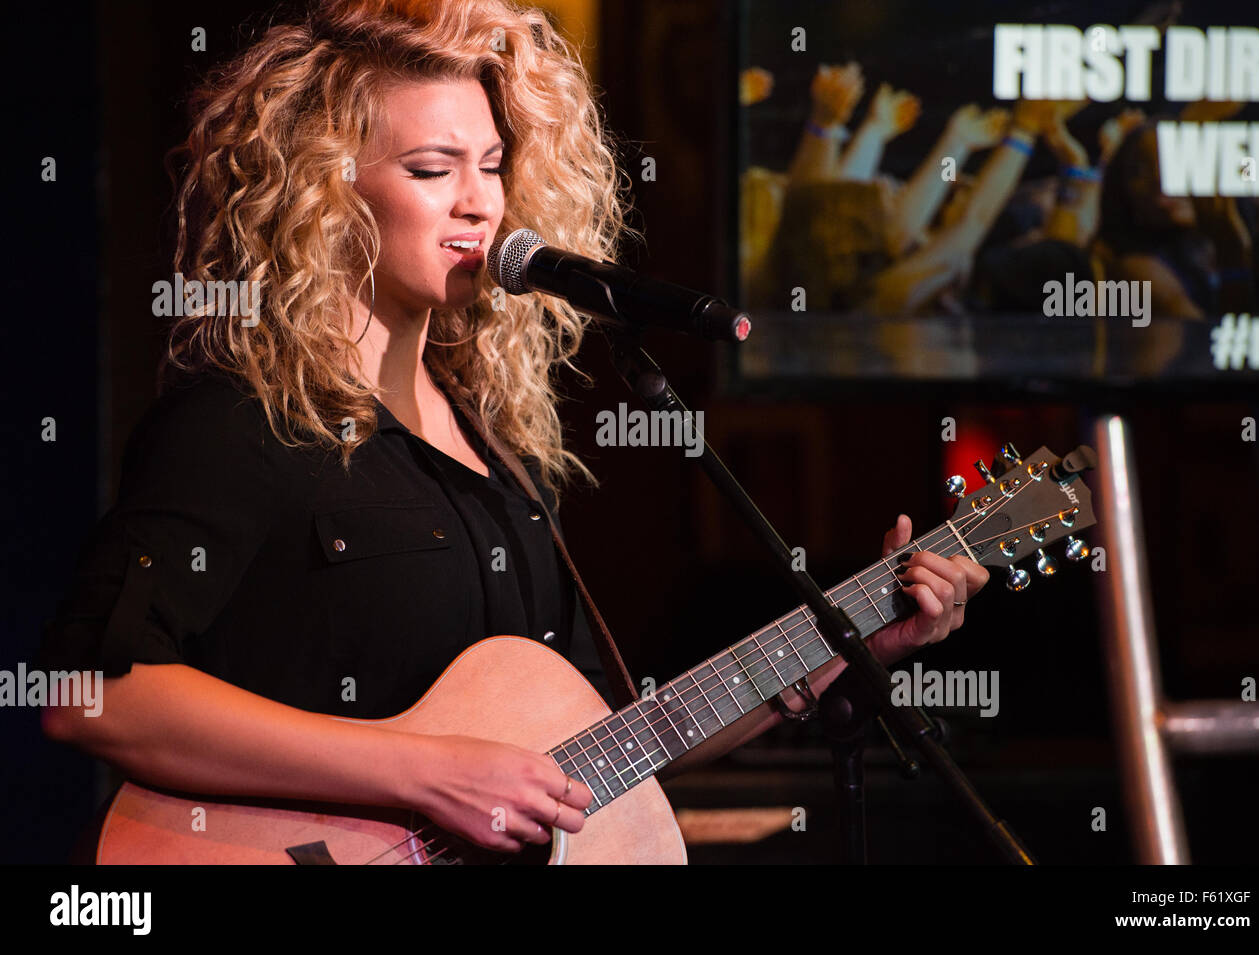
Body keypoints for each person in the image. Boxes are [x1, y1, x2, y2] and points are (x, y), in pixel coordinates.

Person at [39, 0, 987, 859]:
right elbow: (93, 692)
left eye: (491, 166)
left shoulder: (503, 461)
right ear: (325, 194)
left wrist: (845, 644)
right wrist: (425, 773)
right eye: (431, 169)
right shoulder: (245, 419)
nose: (480, 203)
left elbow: (603, 750)